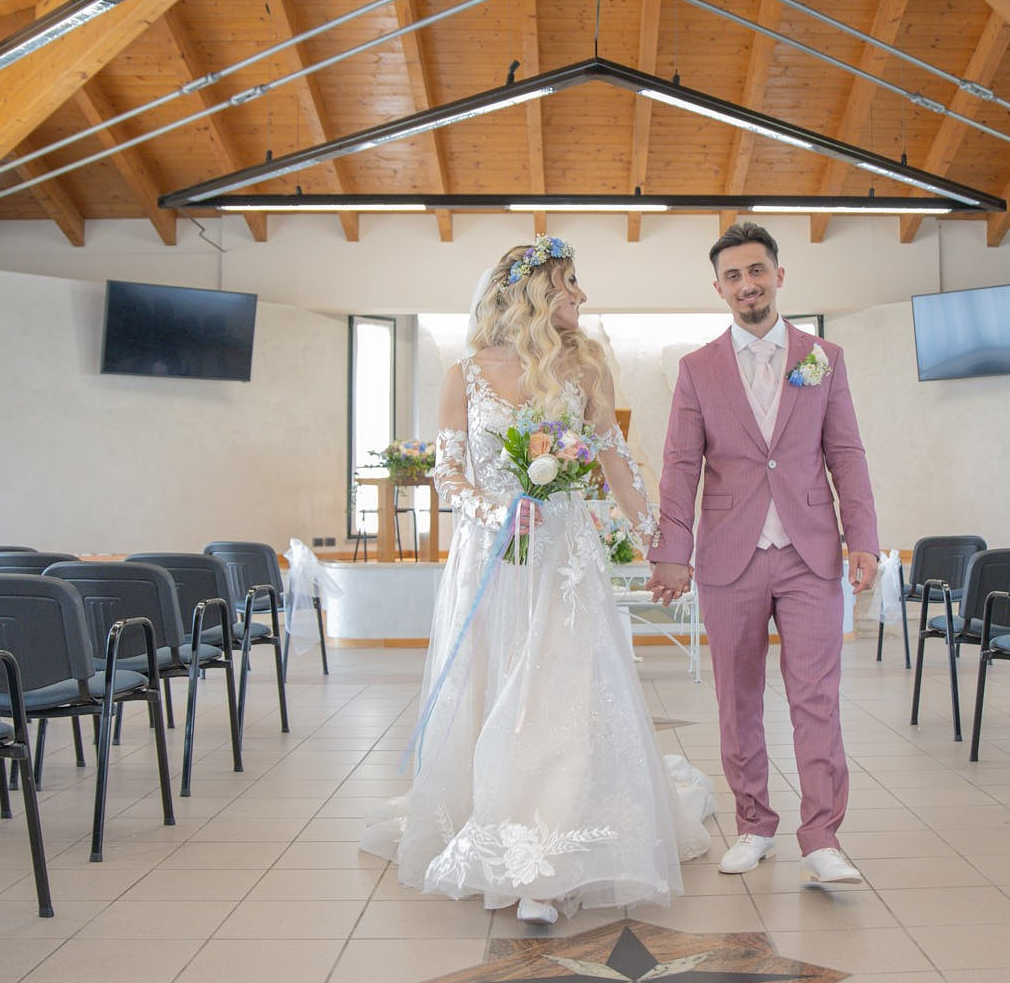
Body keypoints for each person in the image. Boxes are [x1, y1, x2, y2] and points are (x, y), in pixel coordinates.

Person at [361, 235, 713, 926]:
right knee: (496, 690)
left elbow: (617, 466)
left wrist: (662, 544)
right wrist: (494, 510)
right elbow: (447, 473)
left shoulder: (584, 370)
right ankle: (495, 828)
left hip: (563, 557)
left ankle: (546, 859)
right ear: (529, 293)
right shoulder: (463, 373)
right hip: (490, 557)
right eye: (568, 283)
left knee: (559, 691)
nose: (580, 295)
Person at [648, 223, 878, 886]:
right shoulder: (697, 369)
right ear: (718, 288)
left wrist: (861, 537)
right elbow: (680, 463)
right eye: (733, 275)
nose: (747, 284)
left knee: (816, 697)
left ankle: (821, 835)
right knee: (737, 696)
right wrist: (672, 551)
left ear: (779, 273)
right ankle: (753, 823)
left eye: (757, 270)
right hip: (730, 558)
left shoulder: (823, 358)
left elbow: (847, 454)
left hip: (810, 554)